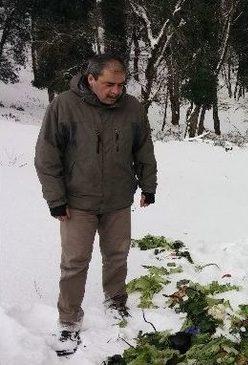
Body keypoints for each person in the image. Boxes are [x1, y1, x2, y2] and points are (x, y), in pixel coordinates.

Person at [34, 54, 158, 356]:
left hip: (117, 199)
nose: (116, 91)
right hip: (77, 202)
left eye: (121, 84)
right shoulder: (64, 105)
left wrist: (148, 185)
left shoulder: (132, 108)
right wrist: (56, 199)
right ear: (91, 79)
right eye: (109, 84)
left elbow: (144, 148)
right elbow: (47, 156)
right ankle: (68, 320)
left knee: (117, 255)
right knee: (75, 262)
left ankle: (115, 301)